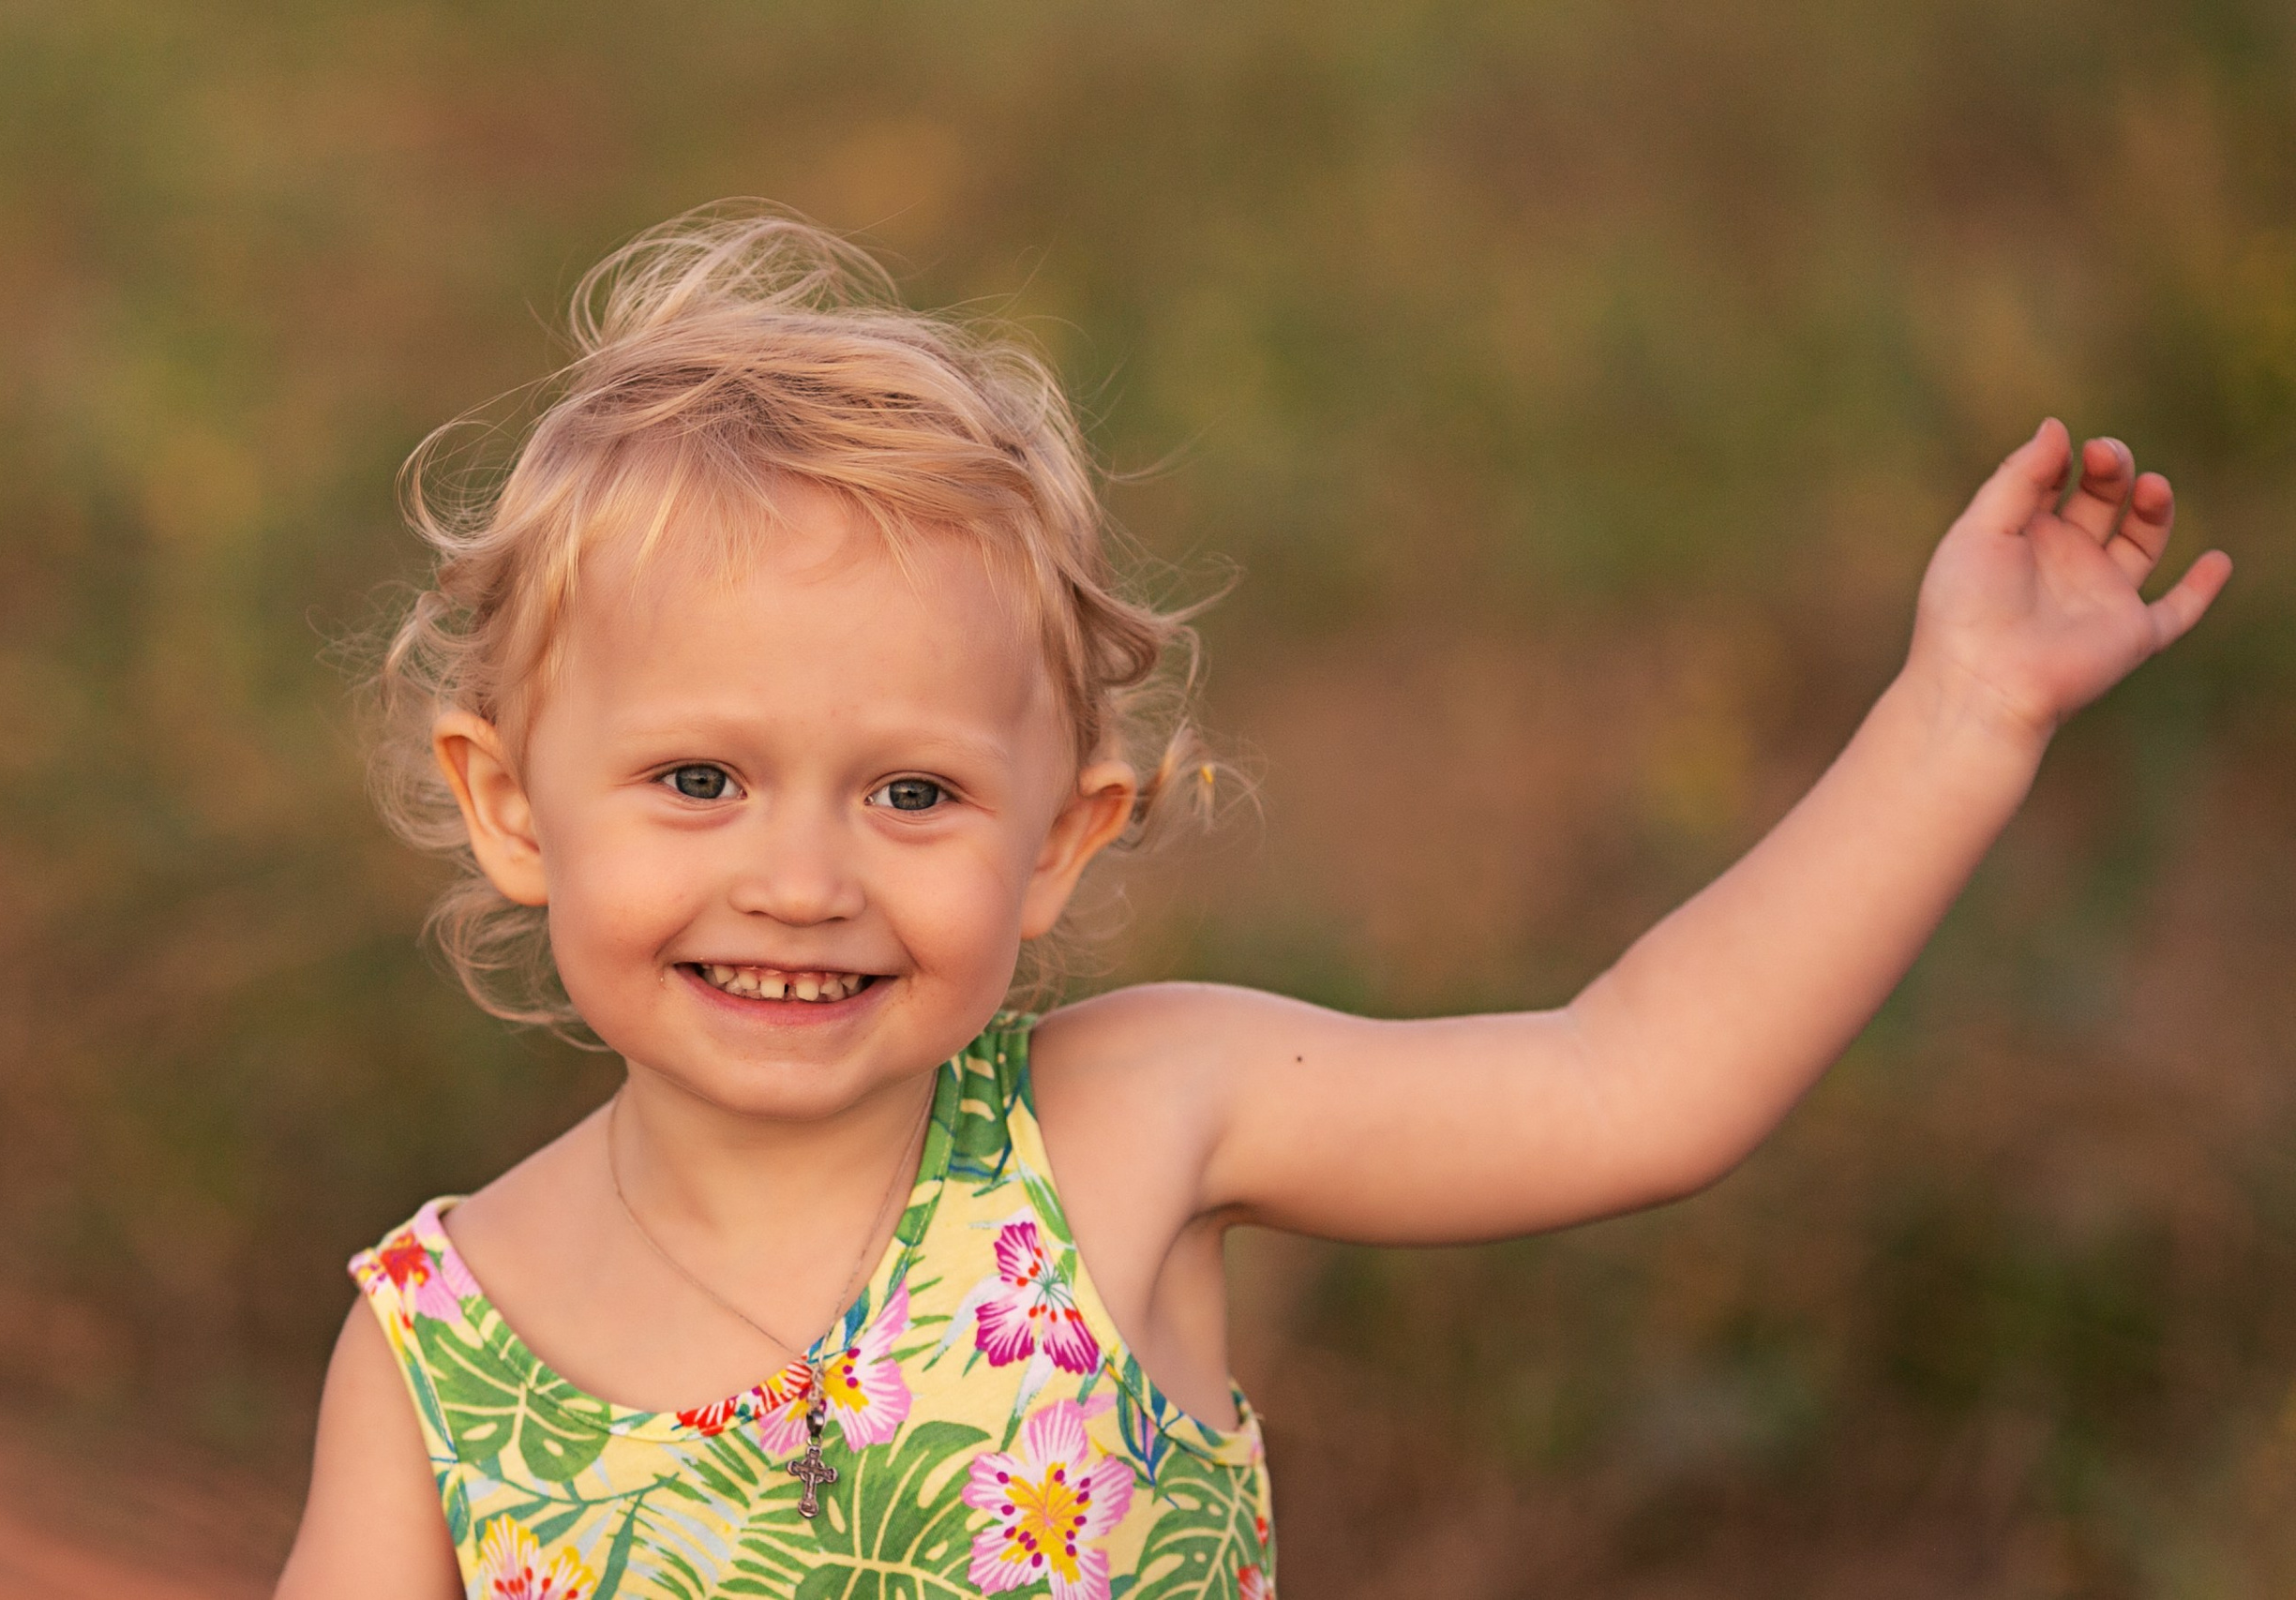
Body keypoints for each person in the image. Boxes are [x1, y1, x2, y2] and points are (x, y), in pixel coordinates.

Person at [274, 210, 2230, 1600]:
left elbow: (1636, 1077)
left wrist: (1961, 714)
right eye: (697, 780)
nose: (801, 881)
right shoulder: (442, 1347)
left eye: (914, 793)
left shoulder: (1128, 1124)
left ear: (1061, 836)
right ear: (509, 804)